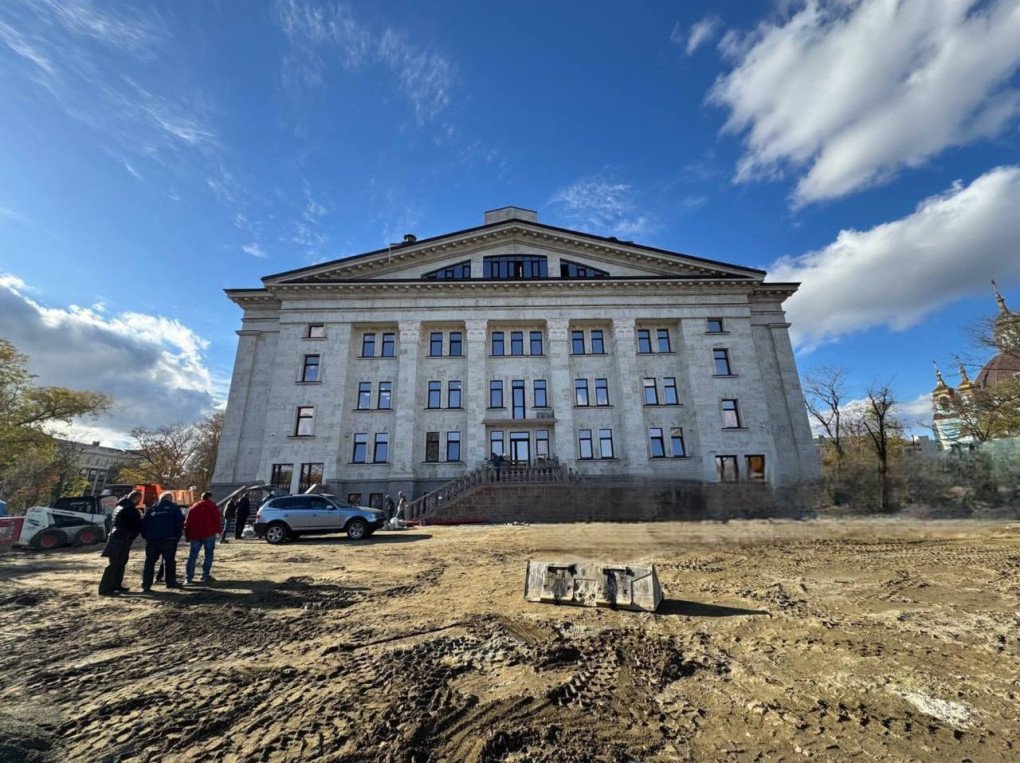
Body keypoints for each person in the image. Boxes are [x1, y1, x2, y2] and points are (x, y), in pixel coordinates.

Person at [98, 491, 142, 596]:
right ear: (136, 499)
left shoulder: (119, 507)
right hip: (123, 538)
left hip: (116, 537)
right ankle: (105, 588)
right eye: (139, 499)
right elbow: (135, 524)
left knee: (119, 563)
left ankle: (115, 585)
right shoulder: (130, 509)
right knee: (116, 563)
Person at [140, 492, 184, 591]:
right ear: (170, 498)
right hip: (169, 539)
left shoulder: (152, 508)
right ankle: (170, 582)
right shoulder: (174, 508)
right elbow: (179, 523)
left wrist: (146, 536)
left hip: (152, 540)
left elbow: (144, 523)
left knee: (149, 562)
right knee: (169, 561)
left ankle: (146, 584)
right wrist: (177, 537)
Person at [184, 491, 223, 584]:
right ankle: (205, 575)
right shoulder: (212, 506)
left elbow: (187, 522)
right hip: (209, 533)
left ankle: (189, 577)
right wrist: (219, 531)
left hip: (195, 534)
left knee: (192, 555)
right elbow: (216, 519)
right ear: (210, 497)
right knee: (208, 554)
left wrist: (187, 535)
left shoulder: (193, 507)